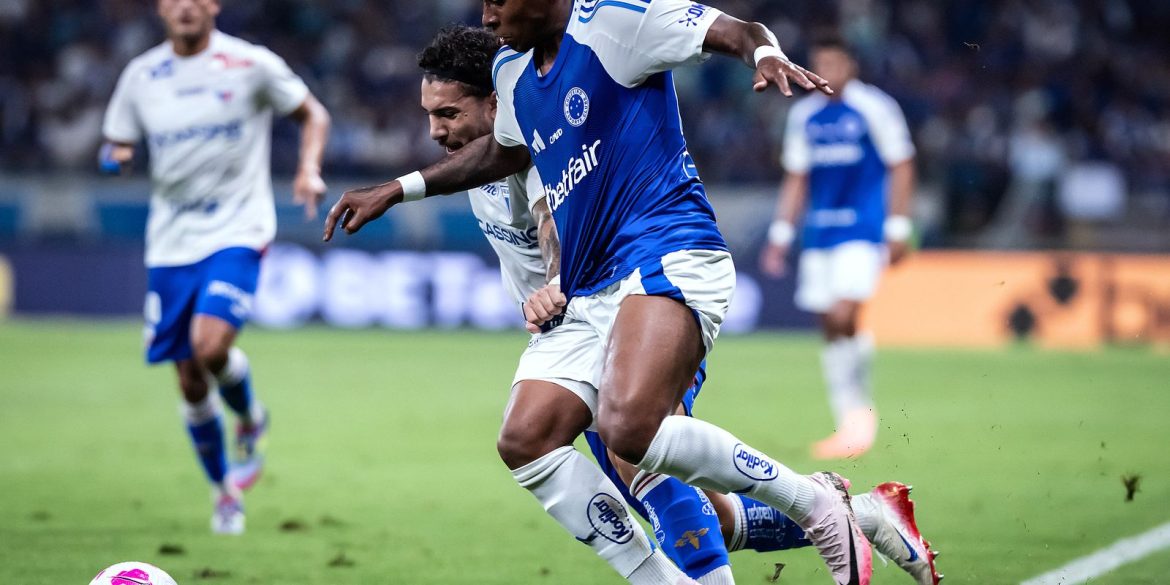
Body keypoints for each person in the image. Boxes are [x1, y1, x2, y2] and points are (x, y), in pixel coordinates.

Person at [327, 2, 882, 583]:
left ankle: (816, 506)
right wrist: (397, 188)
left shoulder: (615, 21)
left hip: (664, 252)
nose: (487, 17)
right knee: (528, 439)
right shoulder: (513, 73)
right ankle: (861, 517)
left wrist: (763, 52)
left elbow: (734, 31)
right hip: (590, 293)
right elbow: (505, 151)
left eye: (498, 1)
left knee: (632, 437)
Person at [99, 0, 331, 534]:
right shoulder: (141, 76)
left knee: (209, 347)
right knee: (188, 379)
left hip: (237, 230)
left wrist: (308, 169)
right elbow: (115, 144)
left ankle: (248, 417)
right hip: (170, 242)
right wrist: (116, 158)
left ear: (213, 5)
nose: (185, 6)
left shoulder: (250, 63)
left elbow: (312, 113)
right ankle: (224, 491)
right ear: (161, 8)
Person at [759, 36, 917, 460]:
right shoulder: (805, 115)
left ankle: (860, 417)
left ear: (851, 66)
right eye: (819, 64)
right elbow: (797, 177)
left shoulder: (875, 107)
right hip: (819, 233)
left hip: (863, 229)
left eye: (834, 63)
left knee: (843, 313)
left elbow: (902, 163)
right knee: (831, 323)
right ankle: (850, 417)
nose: (826, 71)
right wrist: (780, 234)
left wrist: (899, 225)